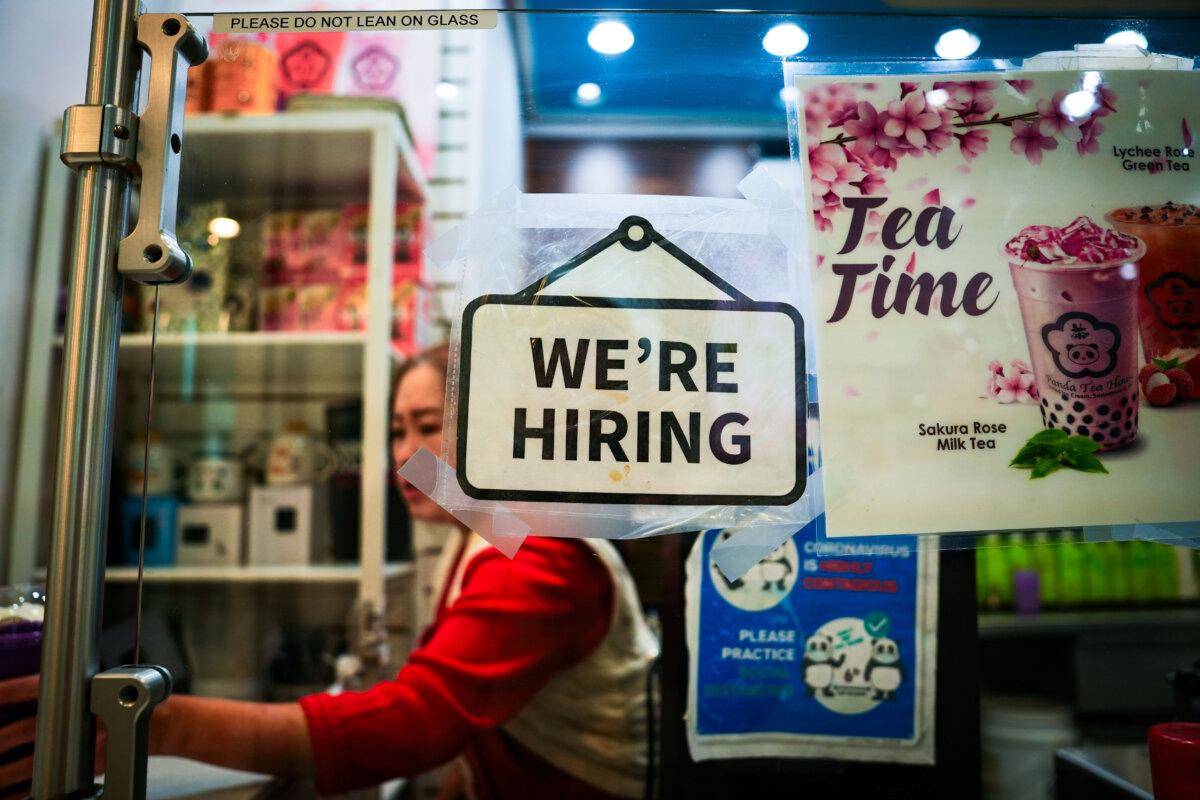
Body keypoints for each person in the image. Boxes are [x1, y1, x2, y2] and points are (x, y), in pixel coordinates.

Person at [0, 345, 659, 799]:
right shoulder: (491, 532)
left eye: (427, 427)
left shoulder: (544, 558)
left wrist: (151, 721)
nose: (405, 456)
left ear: (498, 431)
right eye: (397, 431)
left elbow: (414, 725)